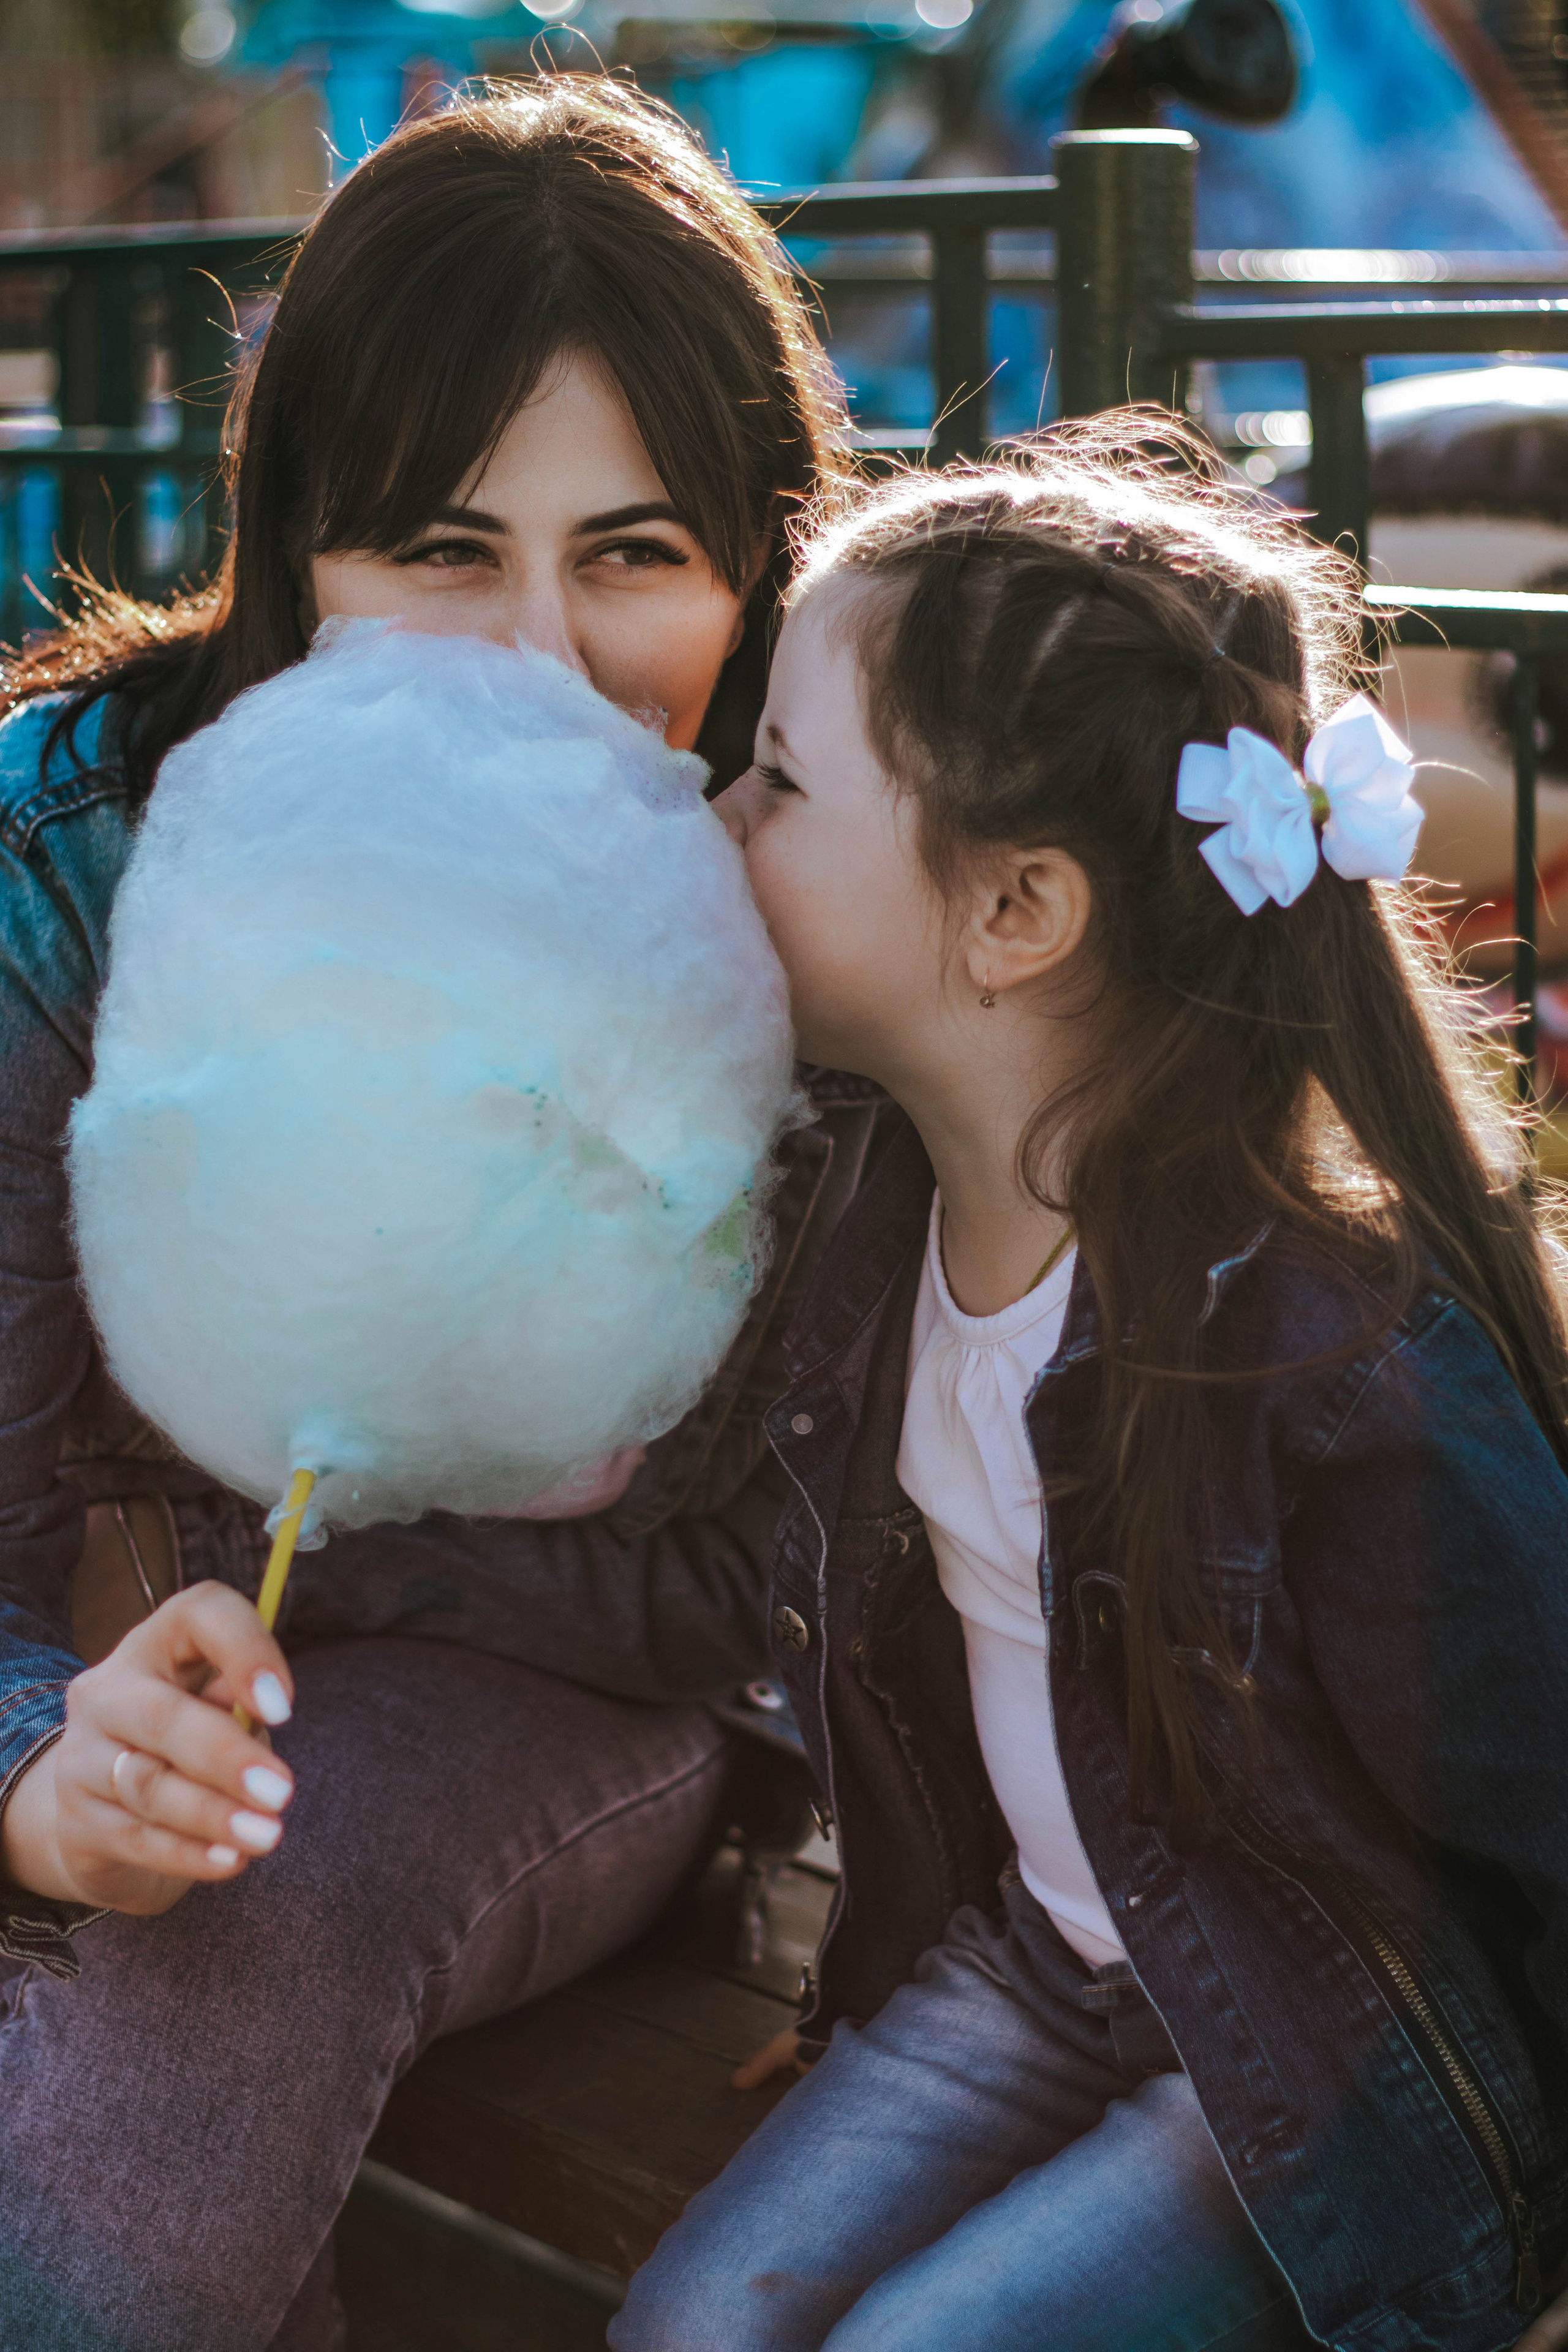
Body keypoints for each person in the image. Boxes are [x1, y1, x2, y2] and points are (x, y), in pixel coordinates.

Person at [0, 78, 885, 2352]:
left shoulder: (830, 892)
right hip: (70, 1691)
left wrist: (300, 1540)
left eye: (632, 553)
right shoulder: (63, 857)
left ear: (762, 565)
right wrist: (41, 1756)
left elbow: (740, 1574)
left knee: (115, 2187)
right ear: (297, 548)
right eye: (440, 550)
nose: (533, 661)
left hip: (538, 1698)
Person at [611, 421, 1568, 2352]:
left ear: (1017, 914)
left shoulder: (1319, 1353)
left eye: (783, 780)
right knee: (694, 2328)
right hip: (1053, 1966)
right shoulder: (865, 1213)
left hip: (1317, 2033)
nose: (719, 809)